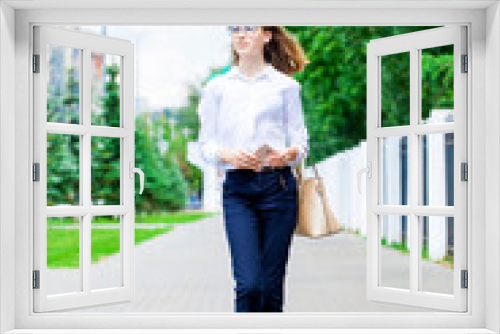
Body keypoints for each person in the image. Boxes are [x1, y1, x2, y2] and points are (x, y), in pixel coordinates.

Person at [196, 26, 309, 312]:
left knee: (271, 288)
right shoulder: (217, 88)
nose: (240, 35)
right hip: (239, 191)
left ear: (267, 35)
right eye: (234, 29)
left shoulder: (285, 86)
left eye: (249, 28)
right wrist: (227, 154)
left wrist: (289, 154)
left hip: (279, 188)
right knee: (249, 285)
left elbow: (300, 141)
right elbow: (205, 145)